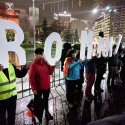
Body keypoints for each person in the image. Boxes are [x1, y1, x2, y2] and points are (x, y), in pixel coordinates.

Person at [29, 48, 55, 123]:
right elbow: (31, 77)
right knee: (37, 102)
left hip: (46, 86)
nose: (41, 55)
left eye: (42, 54)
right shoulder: (33, 65)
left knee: (46, 100)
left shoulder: (45, 62)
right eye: (40, 54)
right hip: (38, 88)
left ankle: (47, 113)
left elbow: (50, 72)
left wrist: (53, 66)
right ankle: (34, 115)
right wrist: (34, 88)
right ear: (36, 55)